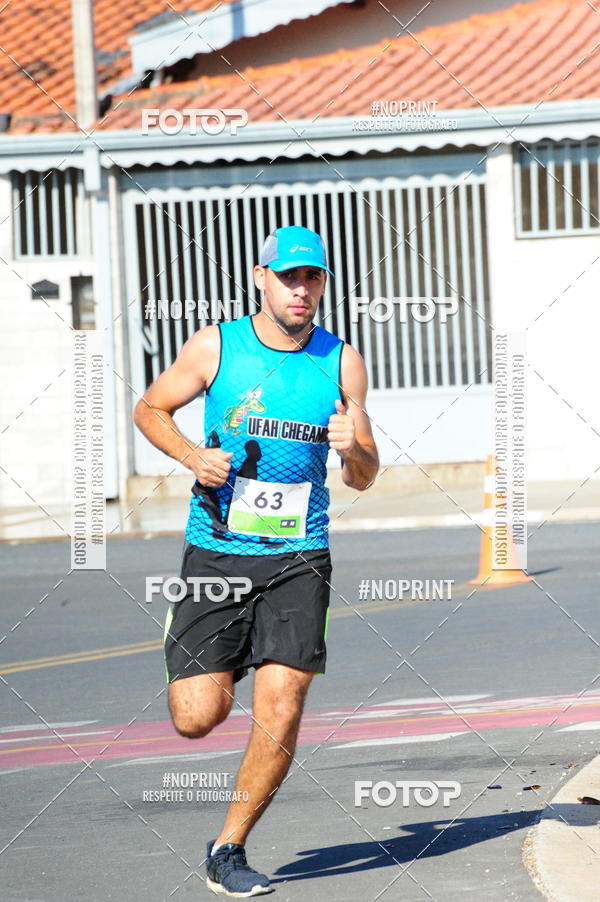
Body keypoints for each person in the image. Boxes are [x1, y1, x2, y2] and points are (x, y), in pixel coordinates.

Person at [133, 224, 379, 897]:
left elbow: (365, 474)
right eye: (289, 276)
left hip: (301, 555)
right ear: (260, 277)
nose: (302, 289)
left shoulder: (342, 361)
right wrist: (193, 457)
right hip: (217, 553)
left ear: (324, 284)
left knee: (284, 698)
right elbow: (150, 407)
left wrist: (351, 447)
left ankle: (228, 848)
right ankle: (215, 657)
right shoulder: (217, 345)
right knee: (197, 716)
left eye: (313, 278)